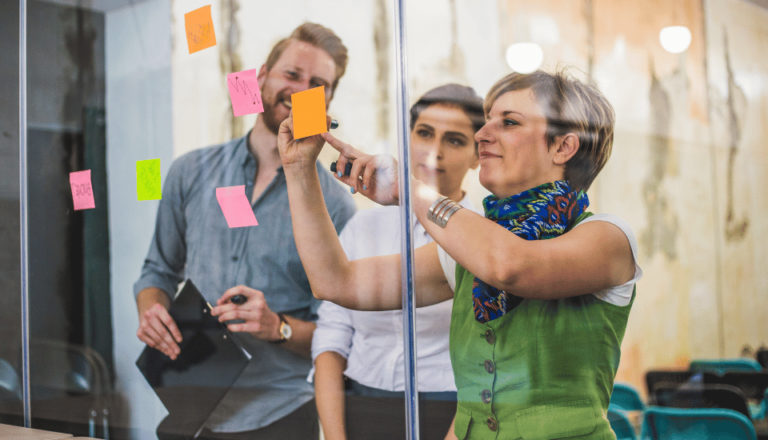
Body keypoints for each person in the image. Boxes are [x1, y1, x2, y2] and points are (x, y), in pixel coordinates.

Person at [277, 69, 643, 439]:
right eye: (486, 122)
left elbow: (510, 266)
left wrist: (411, 189)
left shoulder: (608, 237)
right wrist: (299, 168)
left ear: (563, 147)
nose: (482, 135)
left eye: (509, 122)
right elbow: (335, 282)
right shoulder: (467, 249)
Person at [133, 23, 356, 440]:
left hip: (280, 414)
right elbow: (156, 271)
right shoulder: (191, 172)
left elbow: (341, 333)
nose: (301, 90)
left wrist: (278, 327)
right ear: (260, 78)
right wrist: (151, 310)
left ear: (326, 101)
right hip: (186, 400)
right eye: (291, 75)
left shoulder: (337, 205)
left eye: (318, 84)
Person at [312, 84, 484, 440]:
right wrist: (334, 436)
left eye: (454, 140)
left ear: (477, 155)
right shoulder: (363, 226)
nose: (434, 152)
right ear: (407, 138)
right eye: (424, 133)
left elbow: (492, 358)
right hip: (358, 406)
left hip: (453, 412)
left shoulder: (484, 236)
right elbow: (332, 333)